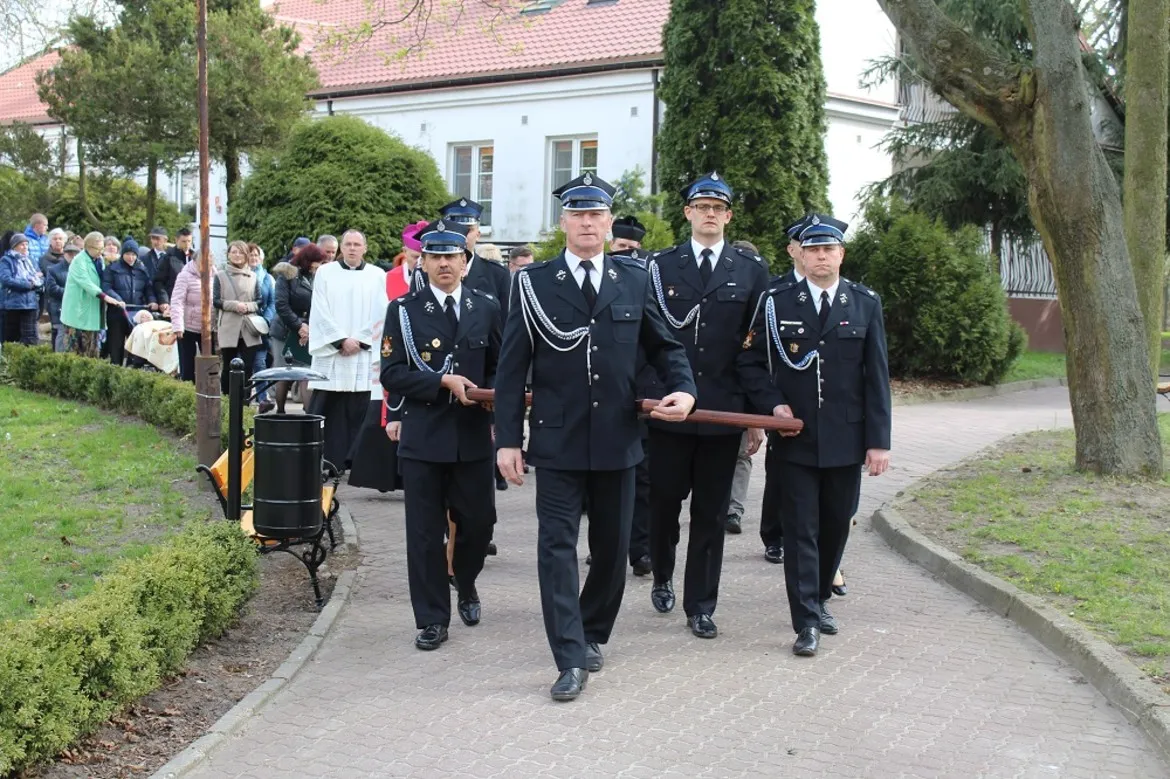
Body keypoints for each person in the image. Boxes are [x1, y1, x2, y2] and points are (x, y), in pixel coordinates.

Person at [495, 172, 697, 701]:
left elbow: (665, 345)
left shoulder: (634, 278)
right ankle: (567, 654)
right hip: (557, 440)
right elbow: (512, 370)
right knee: (556, 549)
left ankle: (591, 631)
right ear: (563, 223)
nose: (588, 223)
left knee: (611, 551)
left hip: (618, 438)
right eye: (578, 215)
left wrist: (686, 390)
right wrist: (507, 440)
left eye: (597, 215)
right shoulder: (534, 283)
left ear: (609, 224)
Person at [745, 214, 891, 656]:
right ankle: (805, 618)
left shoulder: (864, 303)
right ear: (800, 255)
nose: (821, 256)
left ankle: (823, 594)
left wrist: (879, 441)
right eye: (812, 250)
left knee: (835, 526)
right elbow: (749, 362)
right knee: (800, 530)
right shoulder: (775, 301)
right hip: (795, 438)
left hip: (847, 440)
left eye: (829, 249)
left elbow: (876, 377)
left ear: (841, 255)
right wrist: (771, 405)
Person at [644, 172, 773, 640]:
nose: (711, 214)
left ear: (729, 216)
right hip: (669, 410)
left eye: (719, 208)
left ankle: (701, 603)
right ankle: (661, 574)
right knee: (663, 505)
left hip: (723, 412)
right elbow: (647, 340)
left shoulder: (750, 269)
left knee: (712, 514)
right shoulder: (659, 267)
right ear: (688, 214)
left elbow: (756, 348)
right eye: (702, 207)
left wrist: (756, 417)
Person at [381, 219, 503, 650]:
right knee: (425, 534)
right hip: (425, 438)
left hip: (471, 437)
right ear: (424, 262)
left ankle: (465, 580)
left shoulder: (485, 306)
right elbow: (392, 373)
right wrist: (440, 384)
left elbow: (499, 363)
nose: (444, 264)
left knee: (479, 524)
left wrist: (492, 396)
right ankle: (432, 619)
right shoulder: (404, 311)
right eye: (435, 256)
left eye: (452, 256)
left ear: (466, 262)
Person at [307, 230, 389, 471]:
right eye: (348, 244)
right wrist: (340, 340)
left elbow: (382, 313)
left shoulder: (377, 275)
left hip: (363, 353)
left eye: (357, 244)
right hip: (335, 352)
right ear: (341, 248)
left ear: (365, 248)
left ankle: (359, 461)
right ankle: (327, 458)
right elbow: (319, 309)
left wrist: (361, 340)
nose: (352, 249)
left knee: (361, 407)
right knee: (330, 407)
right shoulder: (325, 272)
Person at [608, 215, 654, 576]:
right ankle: (606, 544)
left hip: (646, 393)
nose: (629, 256)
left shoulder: (645, 282)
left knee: (642, 478)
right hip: (607, 394)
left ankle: (639, 550)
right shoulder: (600, 279)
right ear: (612, 246)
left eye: (635, 251)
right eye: (623, 248)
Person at [723, 239, 768, 536]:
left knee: (741, 455)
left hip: (744, 396)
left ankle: (733, 509)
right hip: (716, 392)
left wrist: (755, 419)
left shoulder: (766, 304)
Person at [271, 244, 321, 409]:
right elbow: (281, 305)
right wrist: (299, 325)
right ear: (308, 260)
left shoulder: (317, 277)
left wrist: (309, 327)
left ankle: (309, 415)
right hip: (285, 330)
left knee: (305, 373)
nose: (319, 266)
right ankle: (280, 411)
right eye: (316, 262)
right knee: (284, 372)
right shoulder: (287, 275)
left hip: (308, 331)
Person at [213, 241, 264, 393]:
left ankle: (245, 403)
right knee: (228, 366)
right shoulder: (220, 276)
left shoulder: (253, 276)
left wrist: (247, 307)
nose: (237, 255)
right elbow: (216, 301)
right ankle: (228, 400)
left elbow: (260, 300)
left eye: (240, 252)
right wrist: (235, 305)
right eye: (233, 252)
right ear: (228, 254)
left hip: (249, 326)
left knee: (248, 367)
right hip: (229, 326)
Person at [61, 232, 121, 357]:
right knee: (75, 353)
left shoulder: (99, 260)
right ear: (87, 247)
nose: (101, 252)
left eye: (102, 248)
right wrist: (105, 297)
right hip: (77, 313)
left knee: (92, 352)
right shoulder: (78, 261)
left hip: (93, 313)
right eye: (98, 249)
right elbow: (86, 282)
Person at [102, 237, 156, 366]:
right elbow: (106, 287)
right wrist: (117, 300)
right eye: (128, 254)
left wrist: (152, 300)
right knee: (116, 346)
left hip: (136, 314)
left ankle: (132, 371)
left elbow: (148, 288)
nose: (131, 258)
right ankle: (115, 370)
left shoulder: (142, 270)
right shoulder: (113, 268)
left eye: (133, 255)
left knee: (135, 348)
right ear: (122, 254)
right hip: (117, 313)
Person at [170, 249, 213, 382]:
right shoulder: (185, 275)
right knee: (187, 365)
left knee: (210, 365)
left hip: (207, 326)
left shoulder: (214, 274)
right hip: (187, 326)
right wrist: (178, 325)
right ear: (195, 261)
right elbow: (177, 301)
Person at [247, 243, 277, 413]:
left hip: (260, 327)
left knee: (260, 362)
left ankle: (262, 398)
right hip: (242, 326)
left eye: (256, 255)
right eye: (250, 255)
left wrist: (266, 320)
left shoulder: (268, 278)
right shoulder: (240, 276)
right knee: (241, 364)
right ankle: (240, 398)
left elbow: (272, 302)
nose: (253, 258)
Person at [0, 233, 45, 345]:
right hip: (12, 305)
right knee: (11, 338)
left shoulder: (31, 260)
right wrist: (28, 284)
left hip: (31, 304)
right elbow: (7, 280)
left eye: (26, 244)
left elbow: (41, 278)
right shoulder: (6, 260)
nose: (25, 247)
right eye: (21, 245)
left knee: (30, 339)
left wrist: (35, 282)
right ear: (14, 246)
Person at [44, 235, 81, 351]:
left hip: (77, 309)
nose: (72, 256)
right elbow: (51, 288)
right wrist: (71, 293)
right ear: (64, 254)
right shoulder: (54, 269)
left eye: (75, 253)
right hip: (60, 308)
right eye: (69, 253)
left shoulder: (82, 269)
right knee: (61, 337)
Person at [154, 227, 194, 311]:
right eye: (183, 241)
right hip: (173, 302)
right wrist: (164, 300)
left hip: (192, 303)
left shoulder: (195, 258)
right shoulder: (168, 257)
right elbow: (158, 281)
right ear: (176, 240)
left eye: (189, 241)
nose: (187, 244)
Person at [386, 221, 428, 299]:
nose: (420, 262)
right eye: (415, 257)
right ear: (405, 252)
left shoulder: (442, 279)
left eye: (424, 258)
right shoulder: (387, 278)